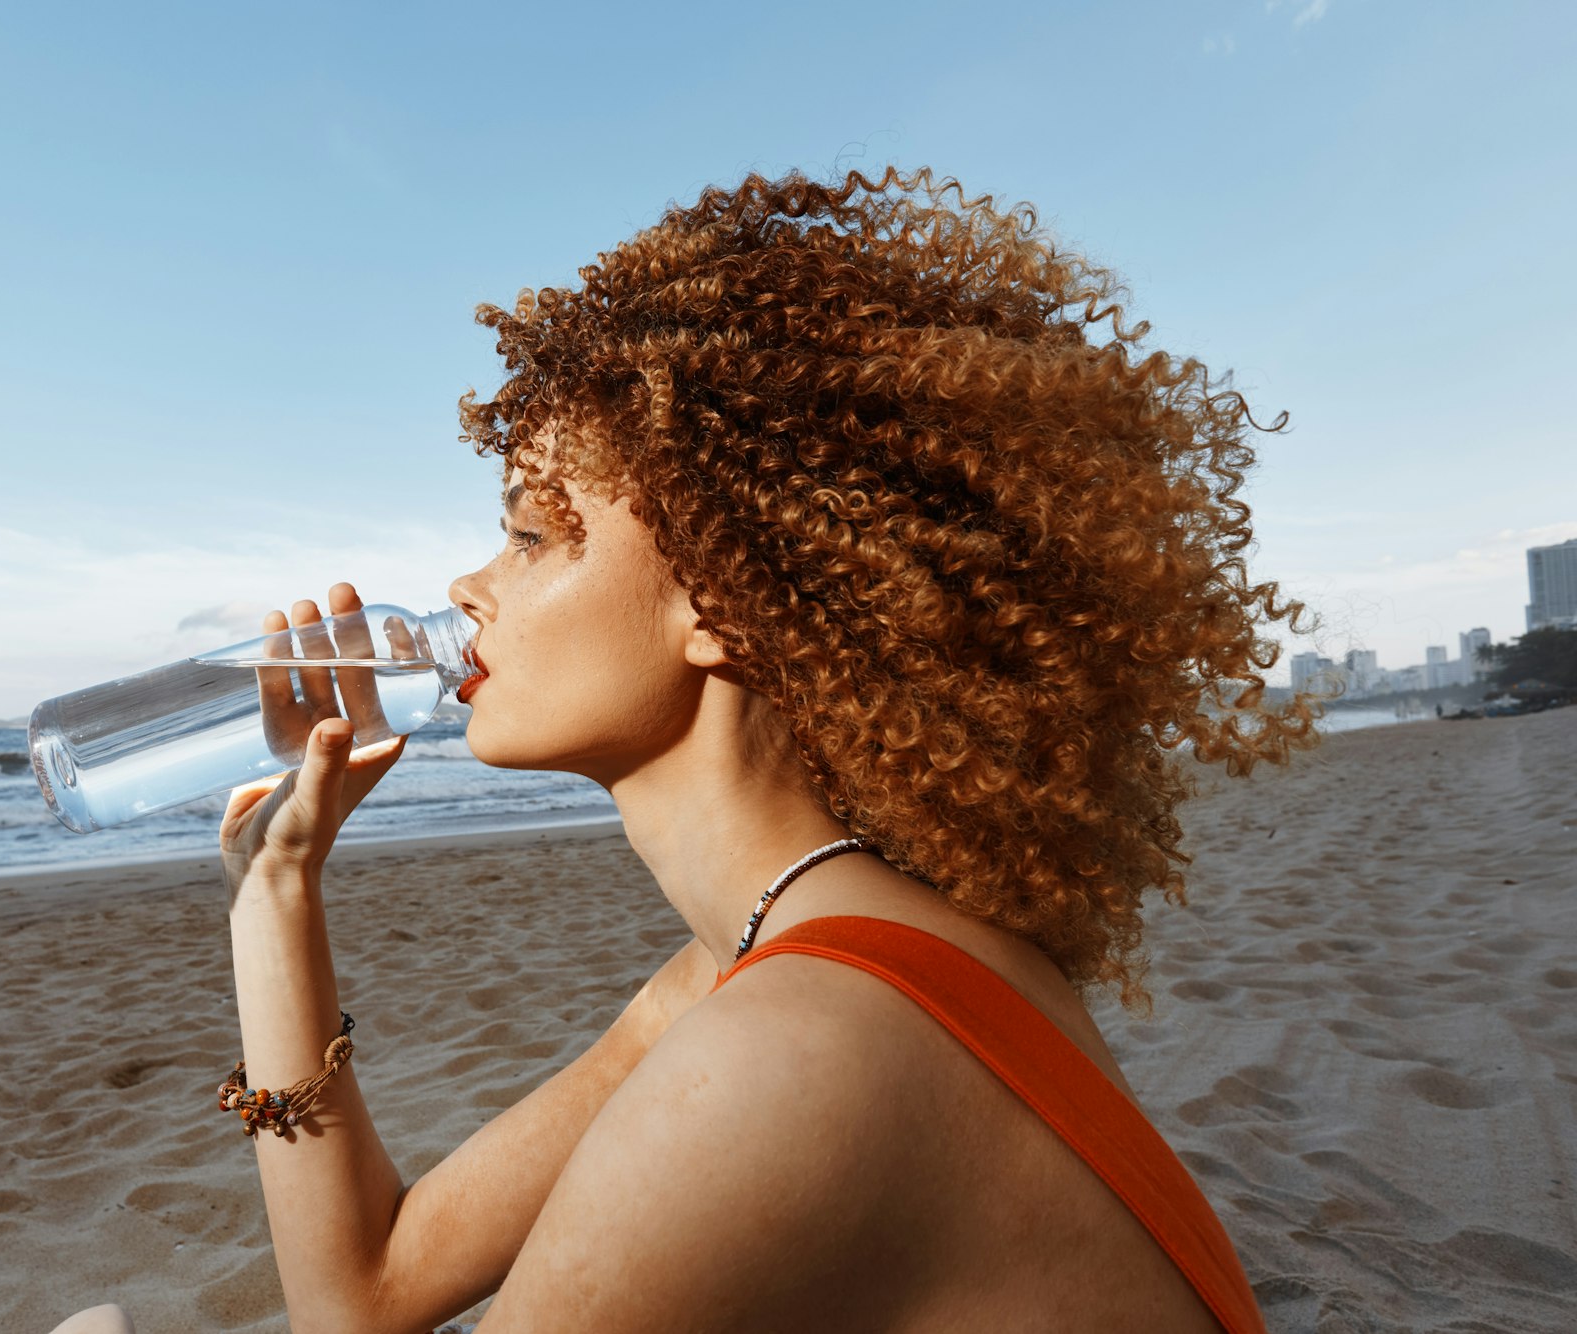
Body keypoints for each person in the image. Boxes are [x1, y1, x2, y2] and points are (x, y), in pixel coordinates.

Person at [76, 167, 1314, 1332]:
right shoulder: (780, 963)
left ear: (719, 603)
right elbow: (368, 1290)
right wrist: (273, 892)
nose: (468, 582)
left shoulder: (792, 1052)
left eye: (528, 534)